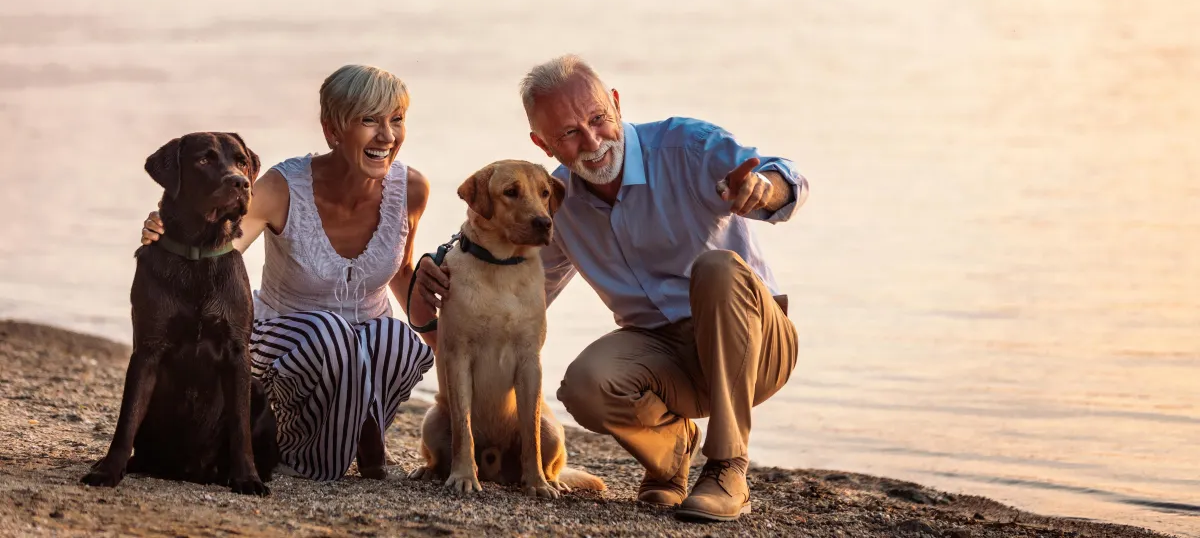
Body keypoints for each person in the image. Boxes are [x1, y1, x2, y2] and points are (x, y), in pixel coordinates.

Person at [417, 54, 806, 522]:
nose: (592, 140)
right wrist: (439, 271)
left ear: (616, 105)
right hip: (663, 353)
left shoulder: (686, 145)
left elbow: (791, 177)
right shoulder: (555, 203)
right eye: (568, 133)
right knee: (584, 385)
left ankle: (726, 469)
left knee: (718, 269)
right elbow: (517, 297)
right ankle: (671, 458)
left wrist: (767, 188)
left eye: (598, 118)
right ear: (543, 143)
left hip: (755, 340)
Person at [142, 64, 435, 482]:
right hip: (284, 339)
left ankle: (359, 441)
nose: (387, 136)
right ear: (332, 130)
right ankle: (300, 452)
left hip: (364, 355)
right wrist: (166, 229)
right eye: (369, 120)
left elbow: (401, 273)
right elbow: (221, 246)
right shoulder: (283, 187)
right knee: (333, 335)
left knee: (397, 340)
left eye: (397, 119)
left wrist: (452, 350)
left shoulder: (412, 189)